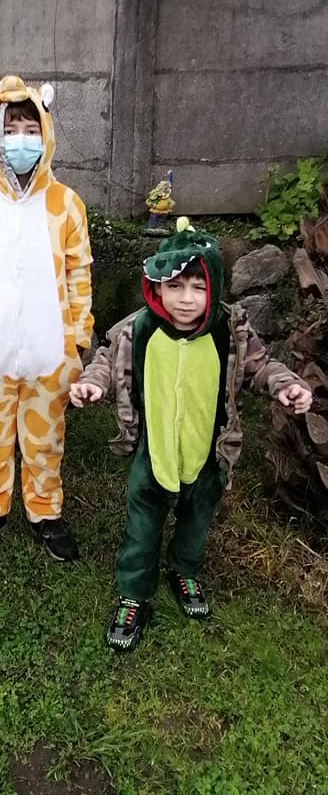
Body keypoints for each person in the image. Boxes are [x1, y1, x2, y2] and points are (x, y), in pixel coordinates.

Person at [69, 217, 312, 651]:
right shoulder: (138, 328)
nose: (186, 299)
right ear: (158, 286)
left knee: (196, 524)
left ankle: (184, 571)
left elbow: (261, 366)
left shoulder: (230, 329)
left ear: (214, 288)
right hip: (154, 454)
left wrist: (285, 385)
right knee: (141, 529)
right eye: (176, 286)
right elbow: (106, 359)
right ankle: (134, 594)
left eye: (199, 288)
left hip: (208, 454)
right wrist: (92, 383)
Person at [0, 75, 94, 562]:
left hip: (50, 351)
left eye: (31, 129)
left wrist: (79, 338)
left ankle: (45, 511)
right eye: (12, 130)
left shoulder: (66, 204)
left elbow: (79, 273)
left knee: (45, 438)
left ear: (45, 134)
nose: (22, 139)